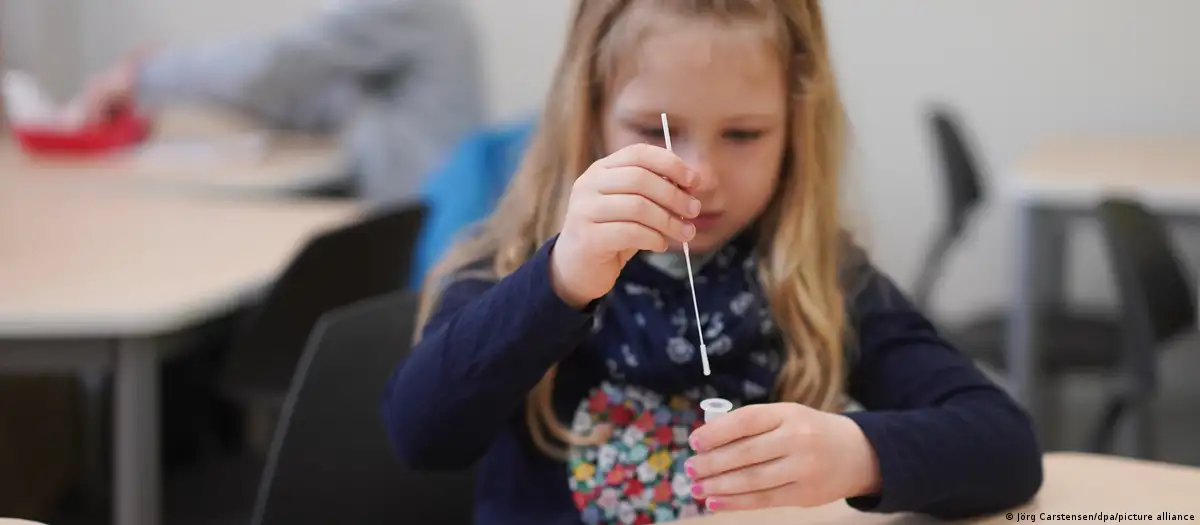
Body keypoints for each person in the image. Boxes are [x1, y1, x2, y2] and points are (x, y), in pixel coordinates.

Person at [382, 0, 1044, 523]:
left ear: (795, 133)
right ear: (589, 117)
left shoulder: (822, 279)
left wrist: (860, 452)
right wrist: (559, 281)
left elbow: (1006, 445)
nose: (699, 175)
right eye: (654, 130)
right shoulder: (512, 265)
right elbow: (420, 435)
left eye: (743, 134)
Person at [77, 0, 482, 205]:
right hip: (411, 210)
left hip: (413, 226)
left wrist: (143, 75)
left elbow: (272, 69)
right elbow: (319, 97)